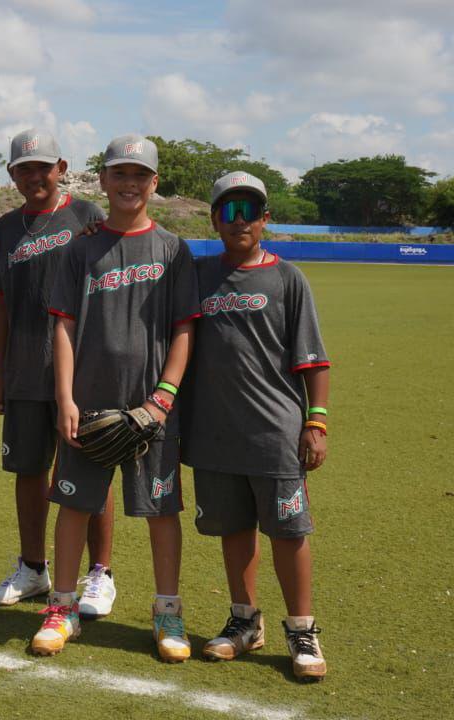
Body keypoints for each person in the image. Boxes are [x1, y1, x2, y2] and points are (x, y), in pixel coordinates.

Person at [31, 135, 199, 661]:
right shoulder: (80, 249)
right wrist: (65, 398)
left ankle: (167, 613)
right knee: (74, 505)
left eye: (139, 175)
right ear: (102, 181)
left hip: (153, 408)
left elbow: (184, 329)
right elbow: (63, 328)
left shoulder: (172, 248)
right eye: (118, 174)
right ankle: (61, 609)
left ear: (154, 182)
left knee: (161, 510)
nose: (129, 184)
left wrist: (163, 398)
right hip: (90, 404)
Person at [180, 171, 331, 680]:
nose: (239, 220)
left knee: (289, 531)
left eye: (249, 210)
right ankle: (245, 621)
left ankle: (302, 631)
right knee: (234, 529)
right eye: (228, 210)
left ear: (266, 218)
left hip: (275, 433)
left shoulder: (287, 278)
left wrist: (317, 423)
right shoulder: (197, 274)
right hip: (214, 434)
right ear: (215, 219)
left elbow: (313, 360)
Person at [0, 129, 119, 615]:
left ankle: (99, 574)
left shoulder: (88, 215)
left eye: (43, 166)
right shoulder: (4, 229)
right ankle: (33, 568)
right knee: (27, 471)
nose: (34, 176)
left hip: (81, 374)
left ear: (61, 168)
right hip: (22, 370)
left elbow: (109, 291)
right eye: (24, 168)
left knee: (89, 472)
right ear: (13, 175)